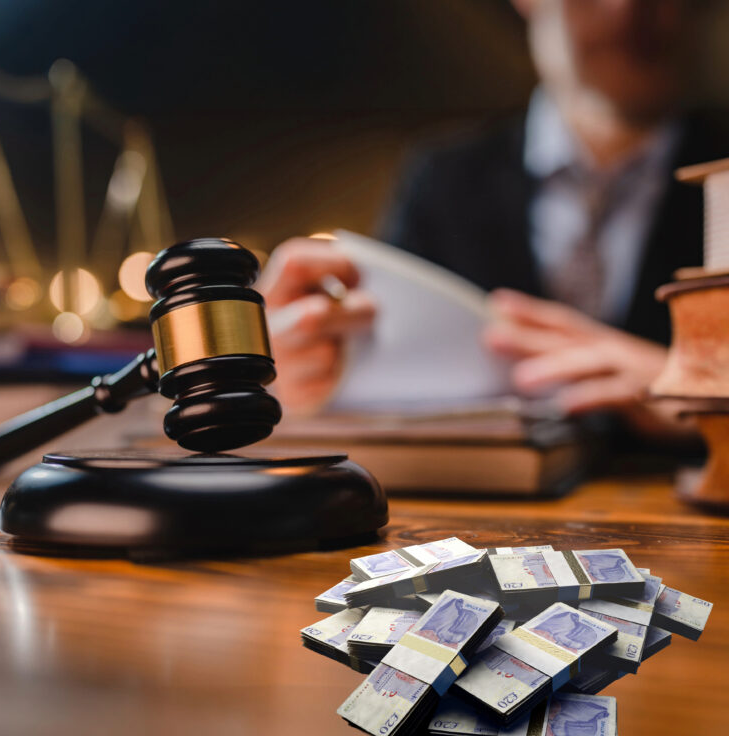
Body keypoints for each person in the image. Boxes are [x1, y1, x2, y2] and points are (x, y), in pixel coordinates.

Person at [258, 0, 728, 437]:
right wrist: (308, 370)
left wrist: (705, 390)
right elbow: (381, 374)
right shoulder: (442, 179)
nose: (629, 9)